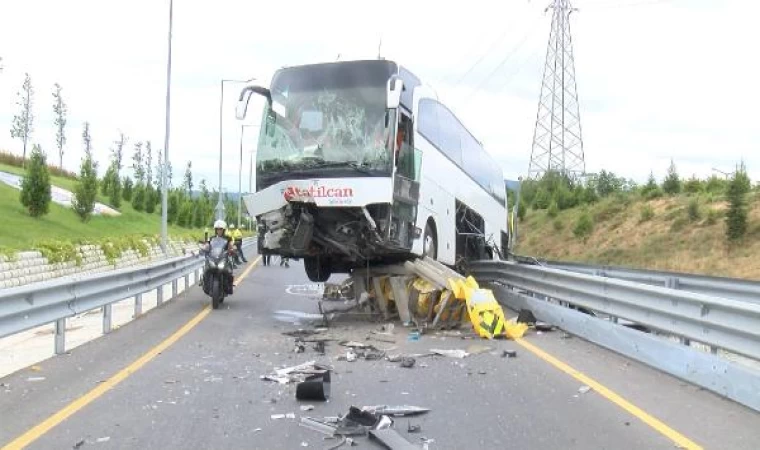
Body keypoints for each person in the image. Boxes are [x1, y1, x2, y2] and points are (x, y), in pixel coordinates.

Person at [202, 220, 236, 294]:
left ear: (223, 230)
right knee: (206, 271)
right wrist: (204, 248)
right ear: (215, 230)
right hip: (214, 257)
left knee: (229, 272)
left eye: (220, 229)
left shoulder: (228, 238)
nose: (219, 231)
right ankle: (205, 285)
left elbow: (231, 245)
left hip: (224, 257)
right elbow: (207, 245)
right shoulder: (212, 238)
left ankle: (229, 287)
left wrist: (232, 248)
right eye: (217, 229)